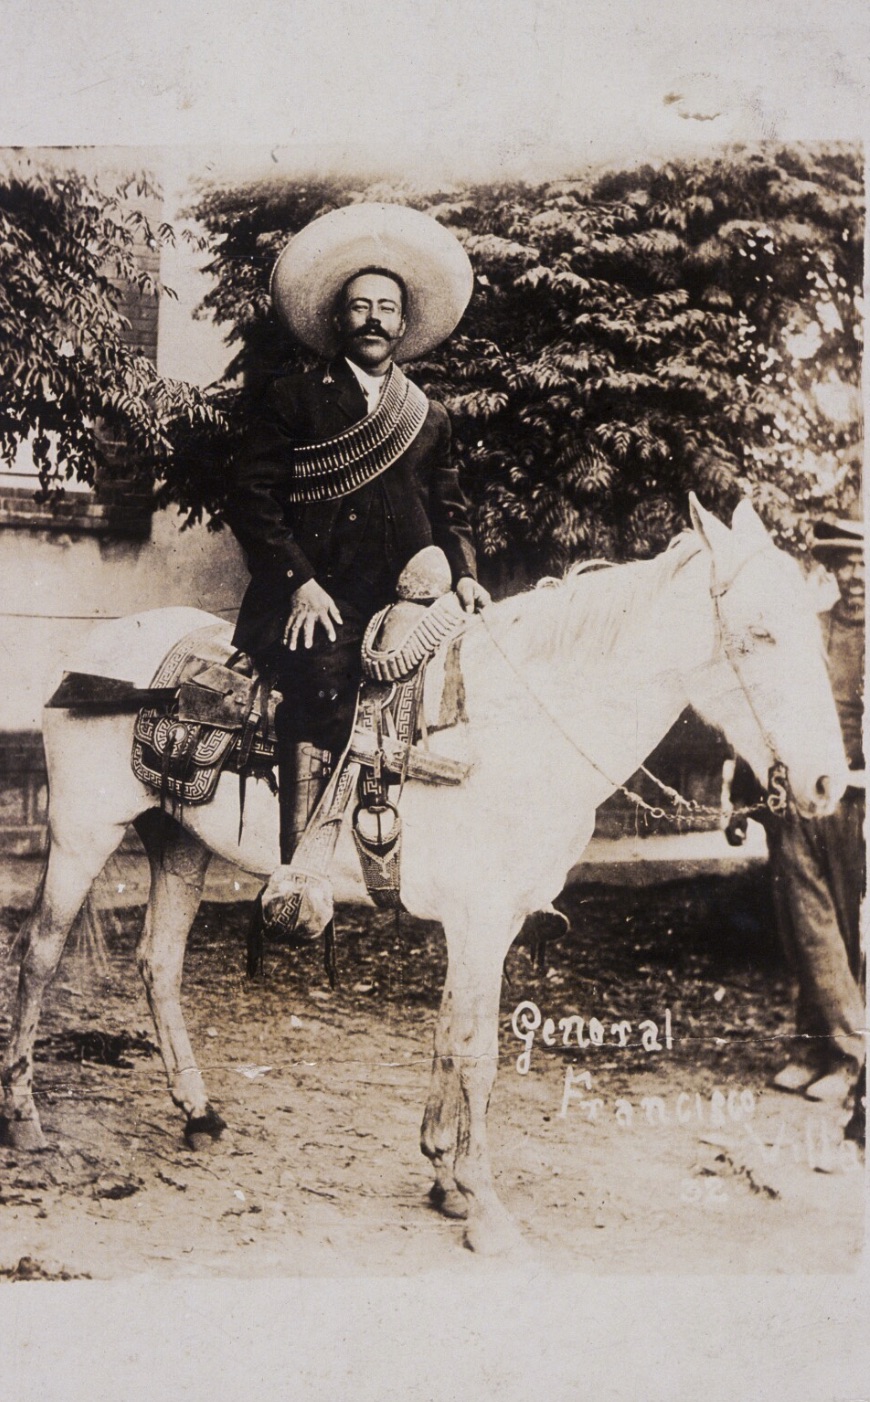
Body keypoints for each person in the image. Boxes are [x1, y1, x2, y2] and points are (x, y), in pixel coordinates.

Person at [225, 203, 490, 886]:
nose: (374, 319)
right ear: (339, 320)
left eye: (386, 309)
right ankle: (299, 877)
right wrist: (300, 584)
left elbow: (451, 510)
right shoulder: (292, 398)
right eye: (360, 307)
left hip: (408, 603)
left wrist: (465, 573)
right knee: (321, 688)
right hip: (319, 599)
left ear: (403, 325)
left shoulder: (427, 416)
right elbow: (252, 500)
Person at [729, 514, 865, 1107]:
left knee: (847, 929)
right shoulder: (809, 630)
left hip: (857, 801)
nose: (855, 576)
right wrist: (743, 797)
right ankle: (815, 1048)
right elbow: (768, 706)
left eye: (863, 564)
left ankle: (849, 1058)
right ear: (831, 570)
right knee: (805, 928)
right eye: (845, 565)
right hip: (800, 799)